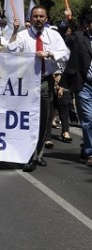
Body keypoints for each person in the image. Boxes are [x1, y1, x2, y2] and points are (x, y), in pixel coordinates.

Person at [8, 6, 70, 172]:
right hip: (26, 83)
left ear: (46, 18)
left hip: (44, 81)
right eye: (35, 16)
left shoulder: (54, 35)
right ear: (31, 18)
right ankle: (26, 154)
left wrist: (49, 53)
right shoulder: (22, 36)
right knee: (26, 118)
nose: (38, 19)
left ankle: (38, 154)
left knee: (43, 118)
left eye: (41, 16)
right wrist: (14, 31)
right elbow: (11, 51)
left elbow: (65, 53)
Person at [60, 11, 92, 167]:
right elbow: (62, 39)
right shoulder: (79, 37)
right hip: (85, 85)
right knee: (88, 120)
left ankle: (85, 148)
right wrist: (66, 22)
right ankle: (90, 153)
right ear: (88, 25)